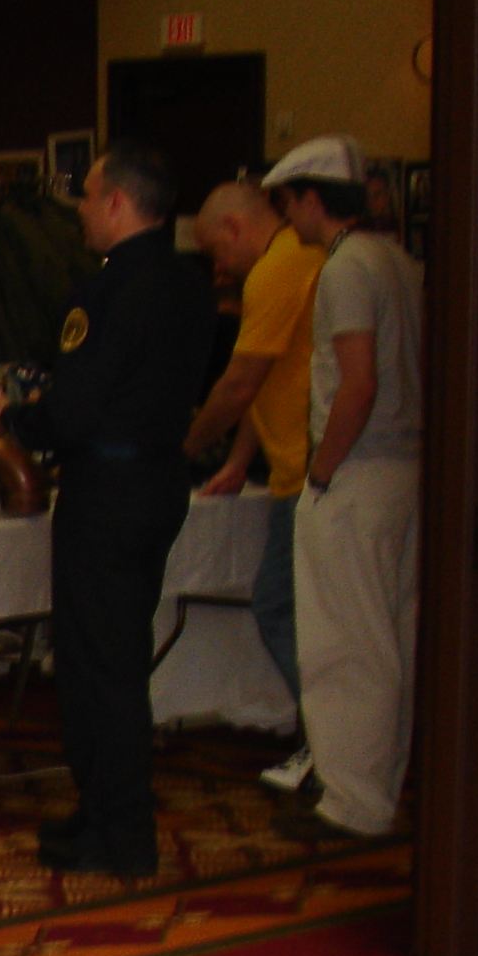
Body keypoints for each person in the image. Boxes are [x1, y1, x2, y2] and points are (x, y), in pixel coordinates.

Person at [1, 141, 219, 878]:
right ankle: (104, 810)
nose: (81, 213)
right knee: (119, 655)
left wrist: (12, 418)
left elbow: (73, 412)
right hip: (160, 477)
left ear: (118, 204)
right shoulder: (192, 282)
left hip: (106, 488)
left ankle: (119, 830)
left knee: (100, 666)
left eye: (90, 198)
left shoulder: (105, 291)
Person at [266, 135, 425, 842]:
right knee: (393, 638)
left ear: (312, 199)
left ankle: (352, 802)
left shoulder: (345, 269)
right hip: (406, 470)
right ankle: (380, 786)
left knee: (346, 645)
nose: (287, 218)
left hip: (357, 473)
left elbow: (357, 384)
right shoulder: (398, 260)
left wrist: (322, 473)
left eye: (289, 203)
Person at [186, 178, 325, 795]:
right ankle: (329, 738)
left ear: (235, 229)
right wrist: (241, 458)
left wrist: (184, 448)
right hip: (293, 466)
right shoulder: (297, 258)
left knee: (280, 605)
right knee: (296, 608)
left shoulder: (275, 271)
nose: (218, 268)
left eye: (215, 251)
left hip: (310, 472)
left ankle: (327, 741)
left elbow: (240, 382)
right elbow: (268, 377)